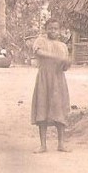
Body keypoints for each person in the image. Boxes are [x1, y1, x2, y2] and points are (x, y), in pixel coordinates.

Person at [30, 18, 72, 153]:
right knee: (42, 108)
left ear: (59, 31)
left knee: (60, 109)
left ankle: (61, 144)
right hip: (44, 79)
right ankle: (43, 145)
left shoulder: (63, 46)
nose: (53, 31)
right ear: (46, 29)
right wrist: (56, 57)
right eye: (50, 28)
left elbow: (65, 66)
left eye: (55, 28)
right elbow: (38, 52)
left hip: (58, 80)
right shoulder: (40, 41)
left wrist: (66, 62)